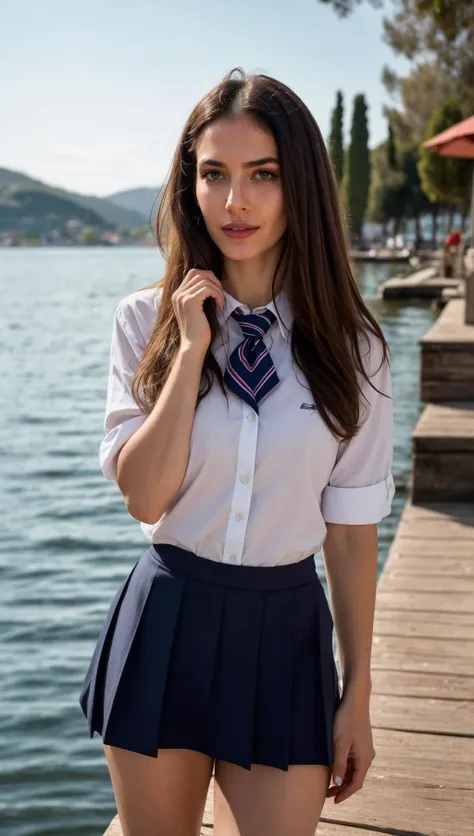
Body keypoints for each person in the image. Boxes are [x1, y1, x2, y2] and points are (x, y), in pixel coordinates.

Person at [79, 67, 395, 836]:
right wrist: (190, 351)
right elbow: (145, 498)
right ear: (190, 184)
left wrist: (357, 695)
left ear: (303, 187)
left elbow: (352, 536)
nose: (235, 202)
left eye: (263, 175)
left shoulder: (355, 350)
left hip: (286, 630)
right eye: (213, 174)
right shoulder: (141, 323)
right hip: (168, 620)